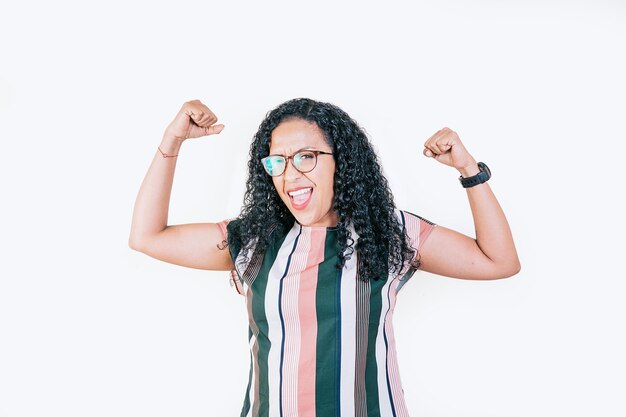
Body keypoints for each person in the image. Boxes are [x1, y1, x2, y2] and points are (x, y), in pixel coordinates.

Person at [129, 98, 521, 417]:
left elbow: (498, 261)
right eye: (277, 162)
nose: (289, 174)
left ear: (342, 161)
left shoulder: (388, 232)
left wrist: (469, 170)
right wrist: (171, 141)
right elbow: (147, 236)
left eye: (305, 157)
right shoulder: (255, 240)